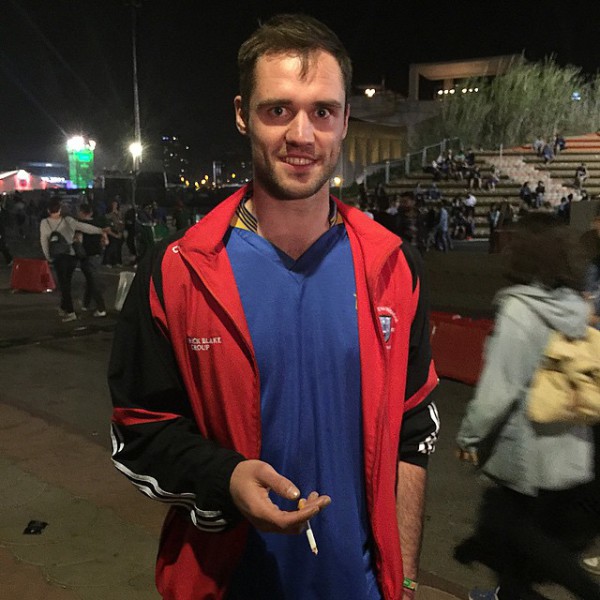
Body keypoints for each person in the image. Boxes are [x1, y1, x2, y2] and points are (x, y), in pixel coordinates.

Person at [108, 14, 439, 600]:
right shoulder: (177, 272)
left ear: (344, 120)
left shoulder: (393, 268)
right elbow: (140, 431)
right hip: (227, 585)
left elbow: (413, 434)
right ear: (243, 114)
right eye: (278, 109)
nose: (302, 135)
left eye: (323, 111)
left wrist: (405, 578)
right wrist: (226, 478)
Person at [455, 213, 600, 600]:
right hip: (569, 449)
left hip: (524, 453)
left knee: (518, 533)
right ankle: (509, 592)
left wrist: (469, 437)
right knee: (519, 543)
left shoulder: (520, 310)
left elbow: (498, 390)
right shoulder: (573, 306)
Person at [40, 197, 108, 322]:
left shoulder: (45, 223)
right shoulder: (68, 220)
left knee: (64, 285)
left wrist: (48, 257)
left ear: (48, 210)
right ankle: (63, 307)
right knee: (66, 282)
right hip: (71, 255)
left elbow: (44, 241)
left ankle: (70, 312)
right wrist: (99, 230)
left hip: (59, 257)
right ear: (60, 209)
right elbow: (84, 227)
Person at [76, 203, 109, 317]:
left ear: (82, 212)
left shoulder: (80, 225)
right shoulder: (98, 224)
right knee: (90, 280)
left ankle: (101, 308)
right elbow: (105, 241)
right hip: (97, 254)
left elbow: (78, 240)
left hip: (87, 255)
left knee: (93, 282)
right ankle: (86, 304)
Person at [0, 195, 13, 266]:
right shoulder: (3, 211)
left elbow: (6, 222)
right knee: (2, 246)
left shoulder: (4, 211)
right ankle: (9, 260)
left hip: (2, 232)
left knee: (2, 246)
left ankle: (9, 260)